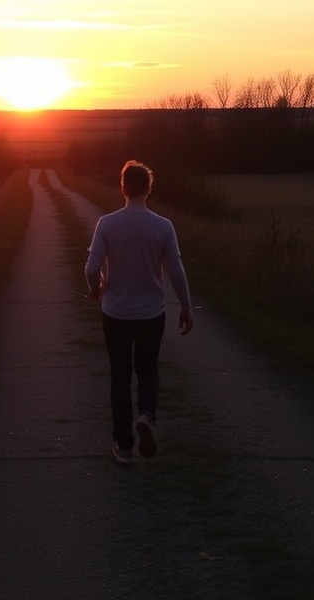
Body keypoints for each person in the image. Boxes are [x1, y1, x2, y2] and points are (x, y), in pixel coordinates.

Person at [84, 160, 194, 465]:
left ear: (122, 188)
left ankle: (124, 447)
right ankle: (146, 414)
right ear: (148, 189)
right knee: (147, 368)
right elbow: (176, 270)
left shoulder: (107, 224)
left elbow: (91, 268)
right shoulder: (163, 226)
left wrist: (97, 288)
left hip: (115, 312)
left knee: (119, 375)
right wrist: (186, 307)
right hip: (151, 313)